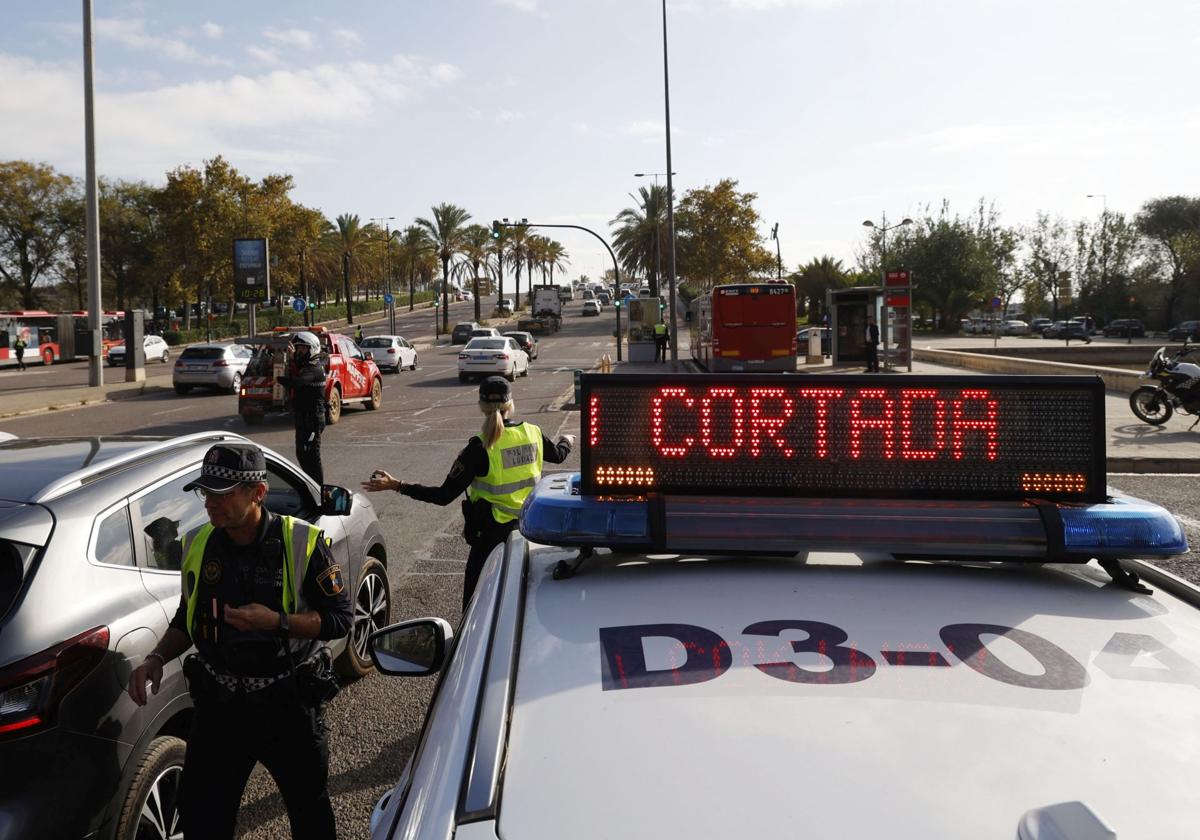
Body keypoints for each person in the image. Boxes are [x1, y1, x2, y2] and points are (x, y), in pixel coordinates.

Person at [127, 442, 351, 840]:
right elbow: (187, 616)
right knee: (202, 816)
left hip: (287, 703)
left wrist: (276, 622)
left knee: (310, 814)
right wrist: (157, 657)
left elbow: (340, 619)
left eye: (223, 494)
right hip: (222, 707)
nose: (210, 503)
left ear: (258, 493)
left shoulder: (303, 542)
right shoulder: (199, 544)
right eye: (206, 492)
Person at [362, 376, 574, 609]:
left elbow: (443, 496)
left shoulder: (478, 448)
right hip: (529, 532)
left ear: (481, 406)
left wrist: (397, 485)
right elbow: (559, 454)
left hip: (491, 539)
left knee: (475, 605)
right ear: (510, 403)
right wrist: (567, 441)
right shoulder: (533, 433)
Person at [277, 331, 327, 485]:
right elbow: (300, 367)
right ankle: (309, 484)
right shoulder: (306, 366)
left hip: (313, 419)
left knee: (312, 456)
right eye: (298, 349)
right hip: (303, 417)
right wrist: (292, 357)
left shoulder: (315, 369)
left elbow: (297, 382)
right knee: (301, 454)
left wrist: (278, 378)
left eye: (303, 349)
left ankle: (319, 490)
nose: (300, 352)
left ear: (312, 349)